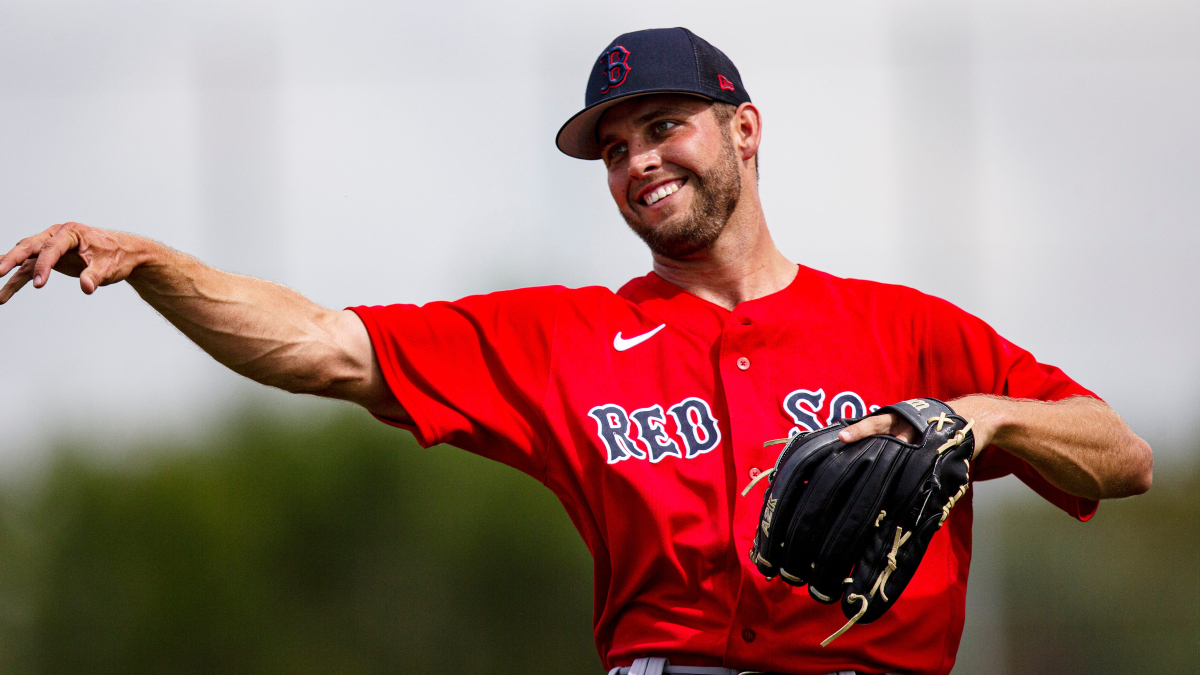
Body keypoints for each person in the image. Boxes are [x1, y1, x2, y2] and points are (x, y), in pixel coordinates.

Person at [0, 27, 1151, 675]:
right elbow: (315, 344)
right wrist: (154, 262)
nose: (638, 160)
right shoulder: (565, 336)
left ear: (743, 131)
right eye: (612, 148)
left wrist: (982, 419)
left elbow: (1120, 453)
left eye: (663, 127)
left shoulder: (901, 329)